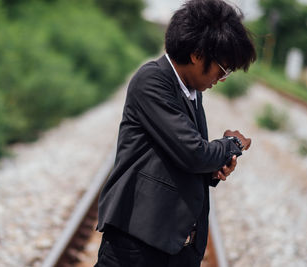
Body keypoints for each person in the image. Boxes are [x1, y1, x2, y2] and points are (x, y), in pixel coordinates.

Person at [94, 0, 256, 266]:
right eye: (223, 68)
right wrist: (231, 144)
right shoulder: (152, 80)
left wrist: (213, 169)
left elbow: (178, 156)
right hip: (136, 246)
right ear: (198, 54)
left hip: (173, 246)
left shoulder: (192, 92)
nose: (223, 77)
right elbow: (193, 152)